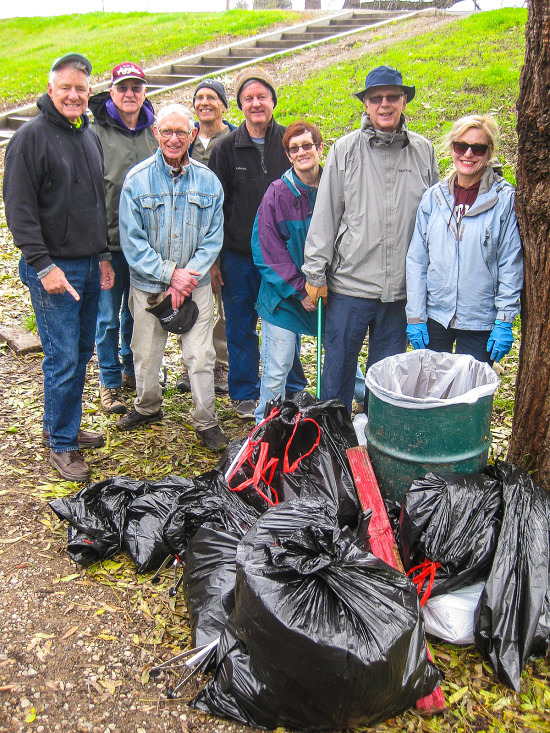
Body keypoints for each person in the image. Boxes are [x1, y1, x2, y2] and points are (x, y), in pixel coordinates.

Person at [3, 53, 114, 482]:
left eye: (81, 89)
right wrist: (43, 265)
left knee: (80, 352)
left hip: (88, 264)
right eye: (65, 87)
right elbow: (19, 210)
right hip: (54, 269)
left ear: (88, 95)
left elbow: (94, 205)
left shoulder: (87, 134)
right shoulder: (30, 138)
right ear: (50, 90)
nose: (73, 94)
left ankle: (59, 424)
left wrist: (102, 255)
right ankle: (63, 445)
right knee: (64, 357)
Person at [302, 65, 439, 413]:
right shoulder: (345, 151)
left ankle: (377, 444)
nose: (384, 105)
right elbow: (326, 216)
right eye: (375, 98)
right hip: (350, 285)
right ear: (365, 104)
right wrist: (315, 274)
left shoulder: (424, 151)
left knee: (387, 379)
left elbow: (432, 222)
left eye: (392, 97)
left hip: (400, 293)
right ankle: (333, 440)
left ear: (404, 100)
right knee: (337, 374)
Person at [117, 104, 228, 452]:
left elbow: (213, 237)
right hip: (149, 288)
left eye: (182, 132)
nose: (174, 139)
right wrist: (169, 275)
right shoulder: (136, 182)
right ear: (156, 134)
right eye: (167, 131)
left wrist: (186, 279)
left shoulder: (209, 183)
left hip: (194, 289)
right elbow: (131, 242)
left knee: (200, 355)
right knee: (145, 353)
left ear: (193, 135)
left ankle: (206, 420)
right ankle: (148, 407)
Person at [208, 66, 307, 420]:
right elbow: (214, 208)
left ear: (273, 100)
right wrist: (215, 259)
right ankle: (245, 391)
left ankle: (294, 388)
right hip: (238, 255)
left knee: (287, 319)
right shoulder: (225, 150)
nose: (255, 103)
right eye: (248, 98)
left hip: (283, 255)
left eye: (261, 96)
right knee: (240, 323)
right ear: (239, 104)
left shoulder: (289, 143)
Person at [406, 114, 523, 363]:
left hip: (480, 320)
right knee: (432, 391)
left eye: (478, 148)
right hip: (436, 317)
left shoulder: (503, 200)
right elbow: (417, 260)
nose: (468, 154)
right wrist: (415, 316)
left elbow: (510, 264)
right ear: (452, 148)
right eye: (462, 146)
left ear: (489, 152)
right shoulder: (433, 198)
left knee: (469, 396)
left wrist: (504, 320)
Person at [89, 62, 157, 415]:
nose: (130, 94)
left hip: (144, 246)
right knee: (107, 317)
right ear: (112, 92)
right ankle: (110, 382)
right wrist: (98, 249)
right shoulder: (96, 131)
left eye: (136, 87)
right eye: (123, 88)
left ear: (144, 92)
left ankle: (131, 370)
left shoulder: (153, 131)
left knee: (137, 312)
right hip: (109, 244)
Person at [251, 121, 323, 423]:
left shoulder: (336, 186)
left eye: (307, 145)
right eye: (294, 148)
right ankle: (262, 434)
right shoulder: (278, 194)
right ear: (288, 155)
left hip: (326, 296)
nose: (302, 152)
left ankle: (368, 409)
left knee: (341, 364)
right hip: (283, 299)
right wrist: (298, 289)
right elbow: (266, 249)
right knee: (276, 373)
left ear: (320, 148)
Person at [176, 79, 235, 396]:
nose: (204, 102)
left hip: (226, 237)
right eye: (199, 97)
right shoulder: (185, 140)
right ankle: (191, 365)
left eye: (212, 97)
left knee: (225, 307)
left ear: (224, 105)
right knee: (189, 305)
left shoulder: (233, 139)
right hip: (187, 237)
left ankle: (221, 365)